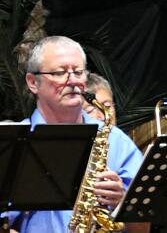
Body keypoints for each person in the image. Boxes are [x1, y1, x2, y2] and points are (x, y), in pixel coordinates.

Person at [1, 36, 143, 233]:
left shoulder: (116, 140)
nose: (73, 81)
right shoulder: (11, 141)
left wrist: (122, 201)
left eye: (78, 72)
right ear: (33, 82)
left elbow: (143, 228)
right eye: (60, 73)